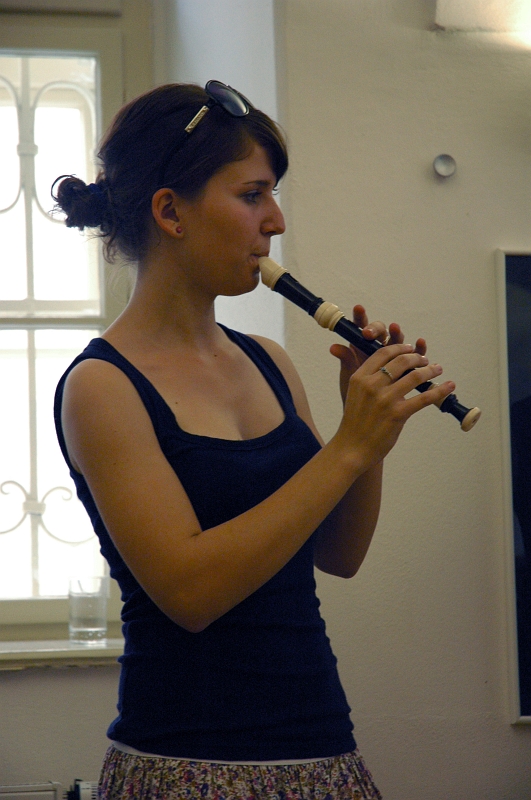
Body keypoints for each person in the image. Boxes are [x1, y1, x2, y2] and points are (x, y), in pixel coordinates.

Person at [52, 81, 454, 800]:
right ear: (170, 211)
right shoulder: (101, 386)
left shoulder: (268, 360)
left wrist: (372, 436)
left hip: (322, 747)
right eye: (251, 195)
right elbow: (191, 592)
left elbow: (339, 555)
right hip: (186, 764)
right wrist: (346, 448)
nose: (275, 220)